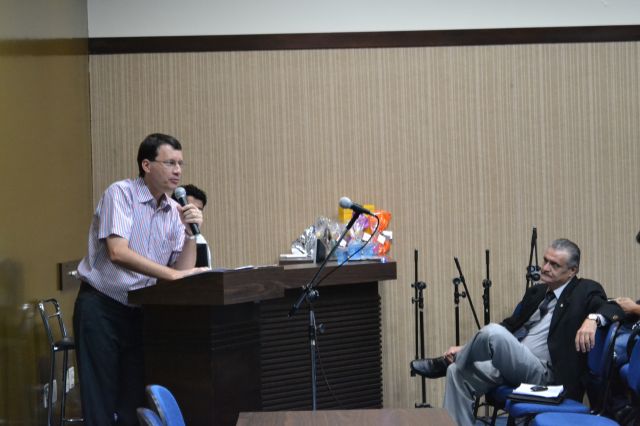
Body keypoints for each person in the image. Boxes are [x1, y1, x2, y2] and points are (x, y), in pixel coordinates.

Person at [410, 238, 624, 425]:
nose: (545, 268)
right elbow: (510, 325)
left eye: (554, 265)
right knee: (457, 372)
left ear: (572, 271)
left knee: (492, 332)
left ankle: (445, 362)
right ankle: (458, 362)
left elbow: (614, 308)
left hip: (546, 376)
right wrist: (467, 347)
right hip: (512, 365)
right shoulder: (537, 292)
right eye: (545, 261)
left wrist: (592, 319)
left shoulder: (585, 289)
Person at [73, 133, 209, 425]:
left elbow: (180, 269)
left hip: (140, 312)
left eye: (180, 163)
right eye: (170, 163)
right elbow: (117, 252)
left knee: (132, 400)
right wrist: (172, 274)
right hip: (102, 307)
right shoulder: (121, 194)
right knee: (100, 400)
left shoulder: (174, 210)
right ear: (147, 165)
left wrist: (189, 234)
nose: (178, 171)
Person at [172, 184, 211, 267]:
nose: (193, 212)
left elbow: (205, 272)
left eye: (198, 210)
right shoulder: (164, 232)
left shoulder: (200, 240)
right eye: (189, 208)